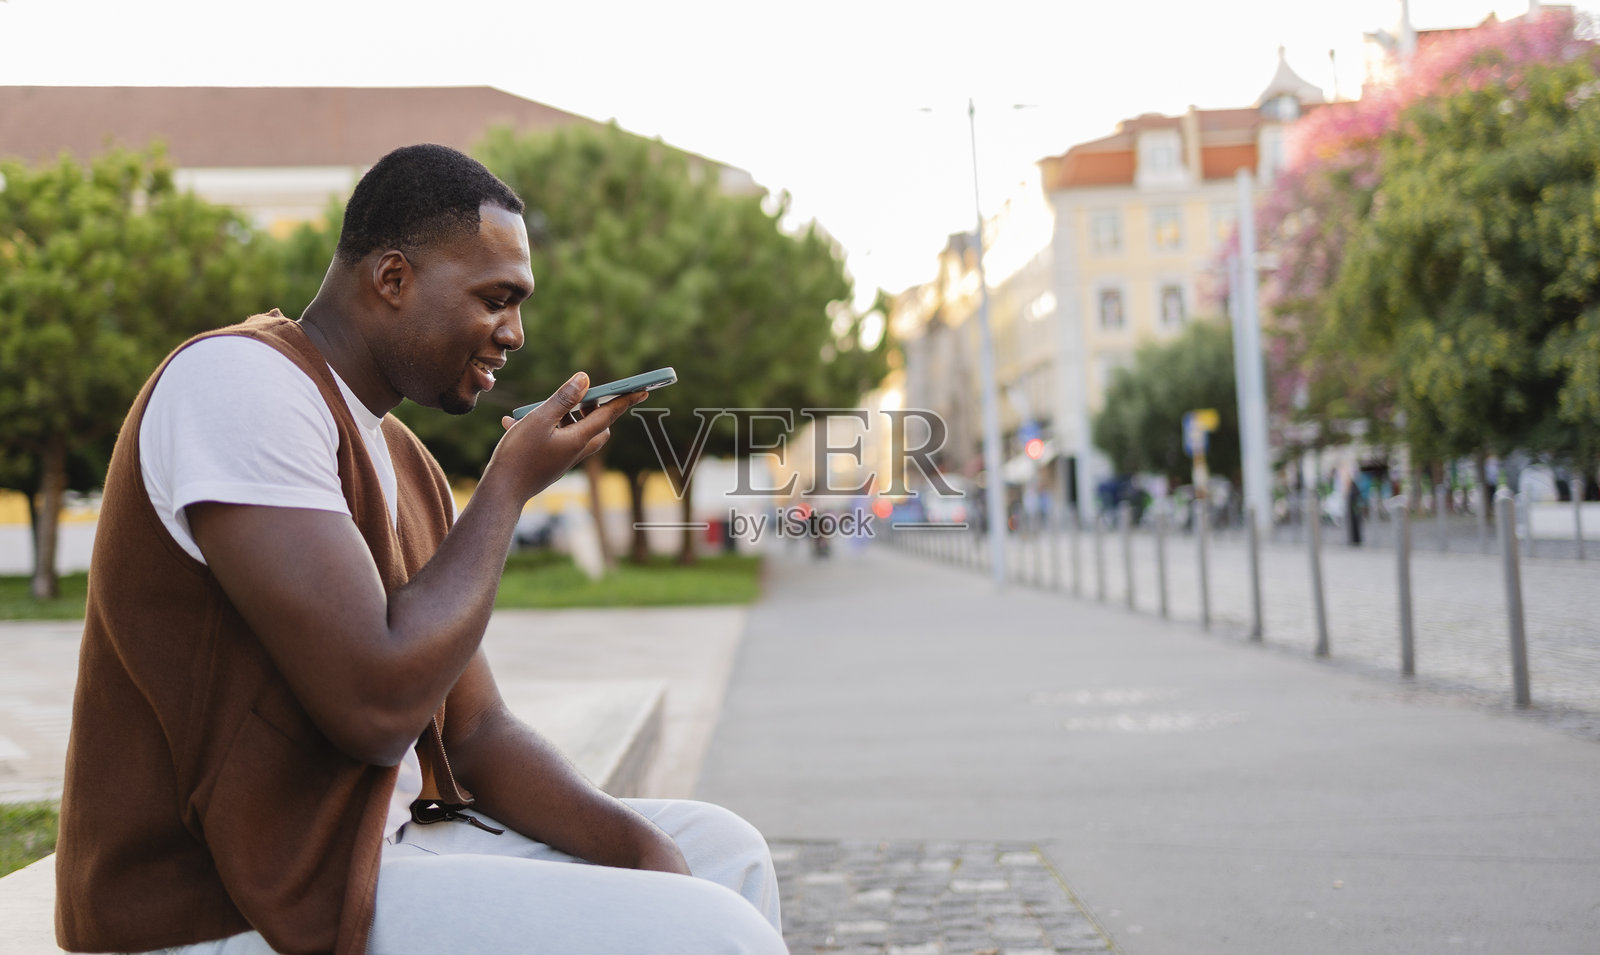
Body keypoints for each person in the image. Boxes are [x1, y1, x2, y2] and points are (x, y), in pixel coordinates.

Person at [54, 144, 785, 955]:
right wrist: (507, 490)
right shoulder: (238, 383)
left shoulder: (406, 459)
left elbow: (475, 730)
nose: (514, 333)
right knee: (712, 930)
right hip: (228, 902)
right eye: (495, 298)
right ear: (393, 279)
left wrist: (638, 848)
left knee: (725, 853)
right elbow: (372, 707)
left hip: (383, 847)